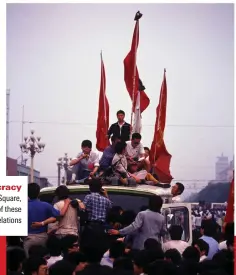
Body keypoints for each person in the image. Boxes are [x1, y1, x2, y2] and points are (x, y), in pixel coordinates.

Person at [25, 183, 69, 257]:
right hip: (43, 238)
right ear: (38, 193)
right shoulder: (46, 205)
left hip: (28, 239)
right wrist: (67, 203)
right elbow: (59, 215)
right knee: (44, 260)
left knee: (28, 262)